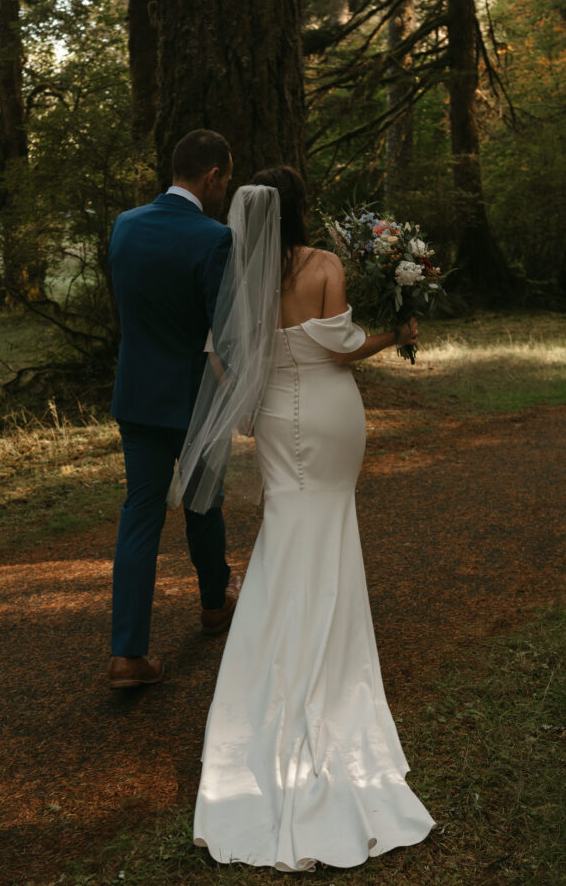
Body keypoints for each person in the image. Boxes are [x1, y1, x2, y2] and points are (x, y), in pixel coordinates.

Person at [187, 166, 435, 869]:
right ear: (299, 210)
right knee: (328, 525)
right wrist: (394, 335)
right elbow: (340, 347)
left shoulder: (235, 275)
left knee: (283, 533)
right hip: (328, 412)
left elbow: (213, 356)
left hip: (272, 415)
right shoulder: (322, 264)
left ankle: (266, 673)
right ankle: (327, 671)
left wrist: (245, 401)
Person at [106, 129, 242, 689]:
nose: (225, 189)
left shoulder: (126, 226)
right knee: (203, 505)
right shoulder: (214, 238)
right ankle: (213, 606)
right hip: (193, 399)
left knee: (140, 516)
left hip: (137, 394)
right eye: (226, 180)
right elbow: (225, 329)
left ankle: (127, 655)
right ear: (211, 176)